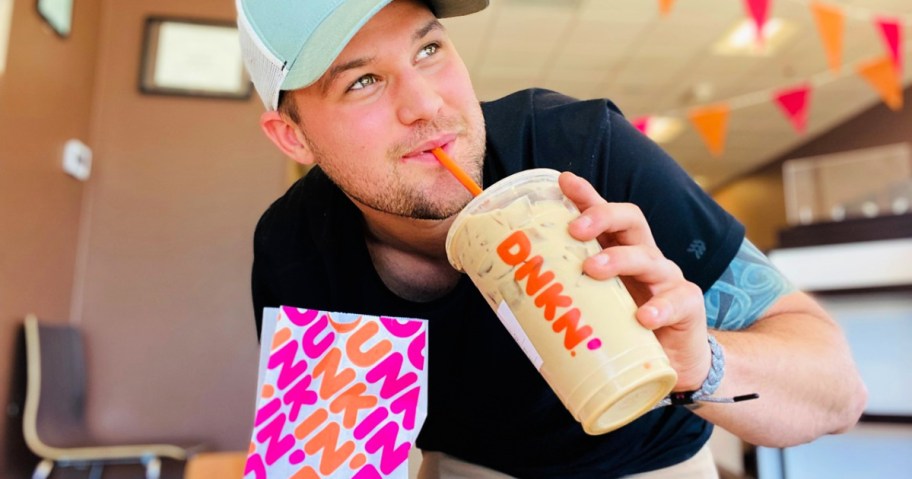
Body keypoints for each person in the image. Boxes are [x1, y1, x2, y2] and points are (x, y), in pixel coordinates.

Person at [238, 0, 868, 477]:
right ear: (292, 137)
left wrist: (696, 363)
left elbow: (837, 391)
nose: (426, 105)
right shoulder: (298, 249)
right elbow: (340, 459)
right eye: (362, 82)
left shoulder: (578, 152)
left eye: (428, 50)